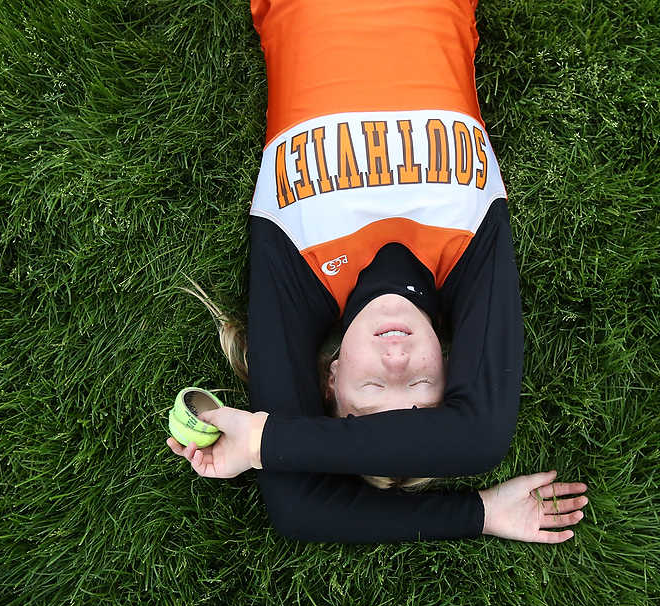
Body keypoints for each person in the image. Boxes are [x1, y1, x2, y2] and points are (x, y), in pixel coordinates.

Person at [165, 0, 589, 543]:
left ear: (331, 377)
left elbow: (299, 511)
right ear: (450, 365)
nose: (396, 358)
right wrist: (481, 513)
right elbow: (480, 439)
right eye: (420, 382)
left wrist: (257, 439)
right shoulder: (468, 257)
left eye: (370, 385)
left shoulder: (299, 271)